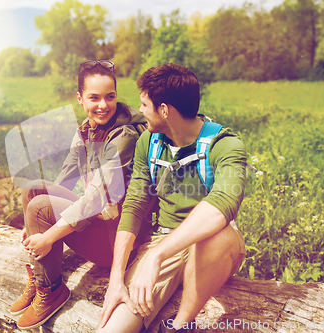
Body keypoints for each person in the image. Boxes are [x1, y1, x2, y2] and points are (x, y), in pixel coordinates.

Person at [97, 63, 247, 333]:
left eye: (144, 104)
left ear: (164, 110)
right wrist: (116, 279)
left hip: (211, 246)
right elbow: (133, 207)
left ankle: (179, 326)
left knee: (219, 235)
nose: (139, 110)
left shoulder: (225, 145)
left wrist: (156, 256)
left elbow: (222, 206)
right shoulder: (148, 143)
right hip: (163, 242)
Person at [9, 60, 147, 330]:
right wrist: (33, 220)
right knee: (35, 190)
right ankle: (41, 278)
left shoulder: (124, 135)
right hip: (104, 222)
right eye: (94, 98)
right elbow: (67, 177)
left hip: (121, 240)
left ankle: (51, 291)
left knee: (40, 207)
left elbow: (97, 197)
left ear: (117, 95)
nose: (103, 105)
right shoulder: (87, 128)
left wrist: (48, 233)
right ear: (80, 98)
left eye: (110, 97)